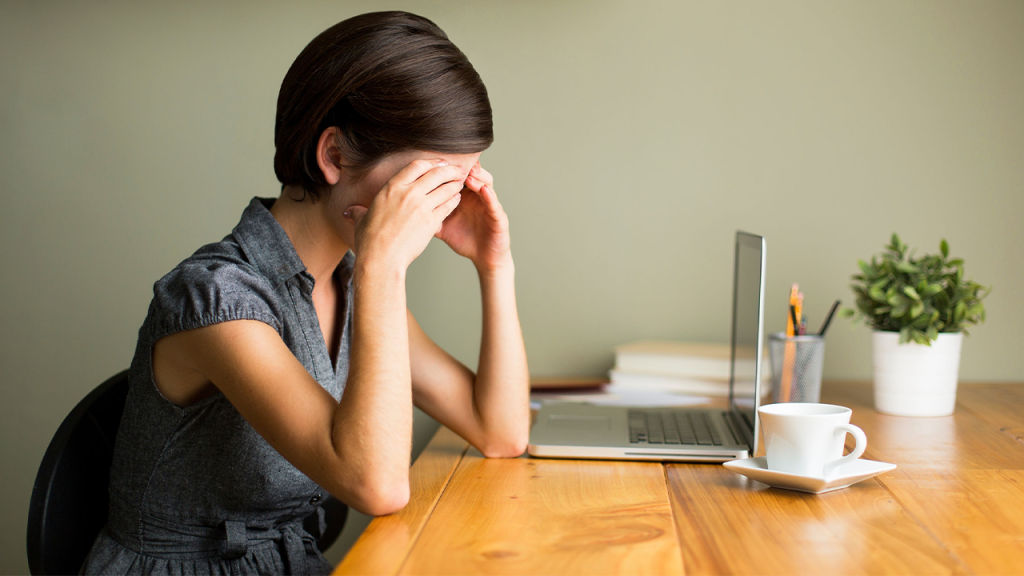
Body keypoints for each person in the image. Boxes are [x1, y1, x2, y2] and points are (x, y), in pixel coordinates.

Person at [82, 11, 529, 575]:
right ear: (335, 156)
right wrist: (383, 268)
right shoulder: (214, 299)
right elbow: (377, 485)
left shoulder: (347, 282)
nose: (440, 210)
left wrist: (495, 264)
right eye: (425, 185)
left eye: (456, 185)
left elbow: (501, 431)